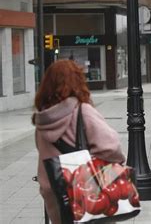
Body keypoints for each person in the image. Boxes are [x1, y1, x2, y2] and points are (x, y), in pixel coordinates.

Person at [32, 60, 125, 224]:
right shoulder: (83, 111)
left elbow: (44, 173)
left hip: (59, 204)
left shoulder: (41, 121)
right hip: (89, 201)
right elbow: (112, 147)